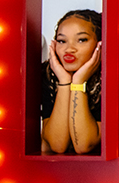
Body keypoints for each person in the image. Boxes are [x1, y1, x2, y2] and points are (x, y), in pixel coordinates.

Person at [41, 8, 103, 155]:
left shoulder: (112, 78)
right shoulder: (48, 74)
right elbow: (58, 145)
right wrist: (64, 81)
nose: (69, 49)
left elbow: (83, 145)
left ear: (99, 44)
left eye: (81, 40)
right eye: (62, 41)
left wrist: (79, 81)